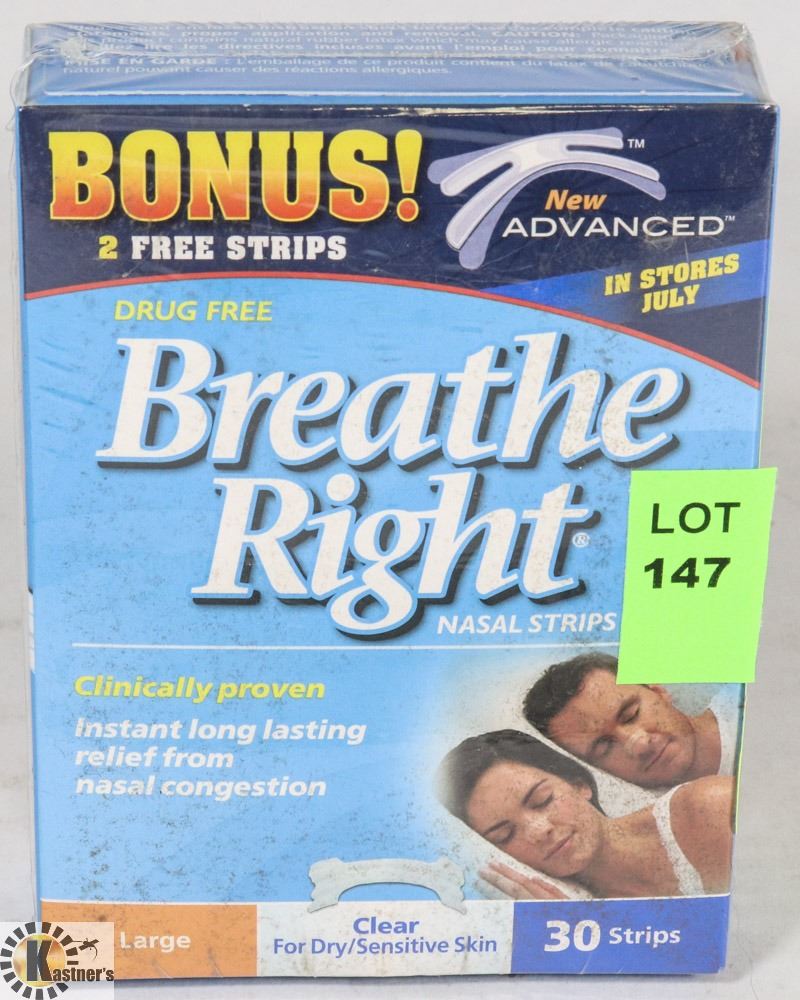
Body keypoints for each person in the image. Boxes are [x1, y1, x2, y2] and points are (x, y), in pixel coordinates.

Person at [438, 729, 733, 900]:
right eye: (505, 835)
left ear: (579, 784)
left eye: (542, 800)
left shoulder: (707, 809)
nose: (539, 831)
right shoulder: (563, 911)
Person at [521, 653, 741, 789]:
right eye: (605, 747)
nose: (640, 745)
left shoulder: (750, 703)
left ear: (658, 691)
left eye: (631, 715)